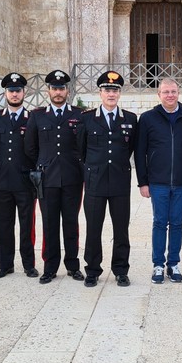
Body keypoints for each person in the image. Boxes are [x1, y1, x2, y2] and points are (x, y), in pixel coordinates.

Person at [24, 70, 85, 284]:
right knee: (49, 224)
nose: (58, 92)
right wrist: (42, 166)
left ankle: (72, 266)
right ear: (48, 90)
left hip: (72, 177)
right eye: (54, 88)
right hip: (47, 179)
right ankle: (50, 267)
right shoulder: (37, 116)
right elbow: (30, 148)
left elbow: (83, 146)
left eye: (61, 88)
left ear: (68, 90)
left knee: (71, 223)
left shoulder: (79, 115)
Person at [77, 71, 137, 287]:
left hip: (120, 182)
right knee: (93, 228)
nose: (111, 94)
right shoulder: (87, 118)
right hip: (95, 182)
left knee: (121, 229)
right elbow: (81, 150)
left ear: (120, 93)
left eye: (115, 90)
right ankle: (92, 270)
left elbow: (130, 149)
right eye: (107, 90)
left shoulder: (130, 119)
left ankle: (121, 270)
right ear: (100, 92)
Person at [135, 78, 182, 284]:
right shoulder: (148, 118)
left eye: (173, 91)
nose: (170, 95)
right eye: (166, 92)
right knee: (160, 222)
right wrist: (143, 182)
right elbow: (140, 152)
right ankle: (158, 264)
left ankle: (173, 264)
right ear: (159, 95)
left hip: (180, 182)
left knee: (177, 223)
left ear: (179, 93)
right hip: (157, 182)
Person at [0, 73, 38, 279]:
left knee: (27, 225)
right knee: (2, 225)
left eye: (18, 91)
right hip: (2, 180)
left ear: (24, 93)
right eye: (11, 91)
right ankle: (5, 265)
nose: (15, 94)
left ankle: (28, 265)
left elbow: (35, 147)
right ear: (5, 93)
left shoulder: (33, 118)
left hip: (25, 180)